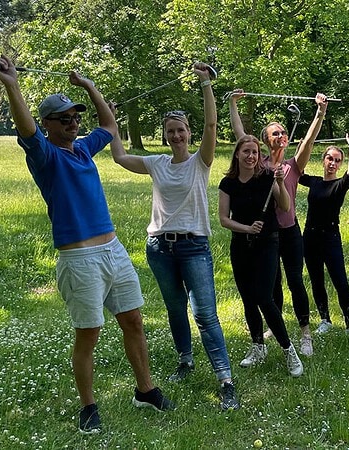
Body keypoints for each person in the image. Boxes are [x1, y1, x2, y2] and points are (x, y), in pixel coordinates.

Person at [0, 56, 174, 435]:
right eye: (64, 119)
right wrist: (12, 85)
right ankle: (89, 406)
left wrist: (89, 86)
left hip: (113, 250)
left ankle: (145, 390)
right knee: (89, 333)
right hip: (79, 259)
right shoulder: (45, 155)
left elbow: (109, 125)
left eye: (76, 117)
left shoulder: (84, 148)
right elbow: (26, 129)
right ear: (48, 125)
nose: (73, 123)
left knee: (134, 321)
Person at [110, 63, 238, 410]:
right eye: (171, 131)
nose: (176, 136)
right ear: (165, 135)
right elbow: (119, 156)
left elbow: (212, 125)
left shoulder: (201, 162)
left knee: (205, 314)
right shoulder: (157, 164)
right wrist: (111, 119)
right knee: (175, 309)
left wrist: (206, 83)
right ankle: (185, 360)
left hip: (194, 246)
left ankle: (225, 380)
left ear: (189, 134)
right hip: (159, 247)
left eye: (181, 130)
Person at [229, 91, 328, 356]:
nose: (281, 135)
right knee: (272, 284)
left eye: (283, 131)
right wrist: (233, 105)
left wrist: (320, 112)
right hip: (266, 235)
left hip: (290, 231)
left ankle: (305, 333)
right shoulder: (258, 165)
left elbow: (309, 140)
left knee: (295, 281)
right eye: (275, 133)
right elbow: (241, 136)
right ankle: (275, 326)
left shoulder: (293, 165)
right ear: (265, 140)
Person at [218, 135, 304, 377]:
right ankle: (258, 346)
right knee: (248, 299)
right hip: (240, 245)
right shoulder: (228, 183)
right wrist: (247, 228)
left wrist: (280, 183)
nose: (251, 156)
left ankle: (289, 350)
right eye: (246, 151)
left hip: (267, 243)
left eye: (255, 152)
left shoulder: (267, 177)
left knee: (265, 298)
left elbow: (285, 206)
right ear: (237, 154)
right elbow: (223, 219)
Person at [299, 129, 349, 346]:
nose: (333, 163)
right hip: (310, 237)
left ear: (340, 164)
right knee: (316, 280)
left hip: (330, 237)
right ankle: (325, 320)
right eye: (330, 158)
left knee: (340, 281)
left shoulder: (340, 184)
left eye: (337, 160)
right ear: (323, 160)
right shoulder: (314, 182)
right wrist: (304, 147)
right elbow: (298, 172)